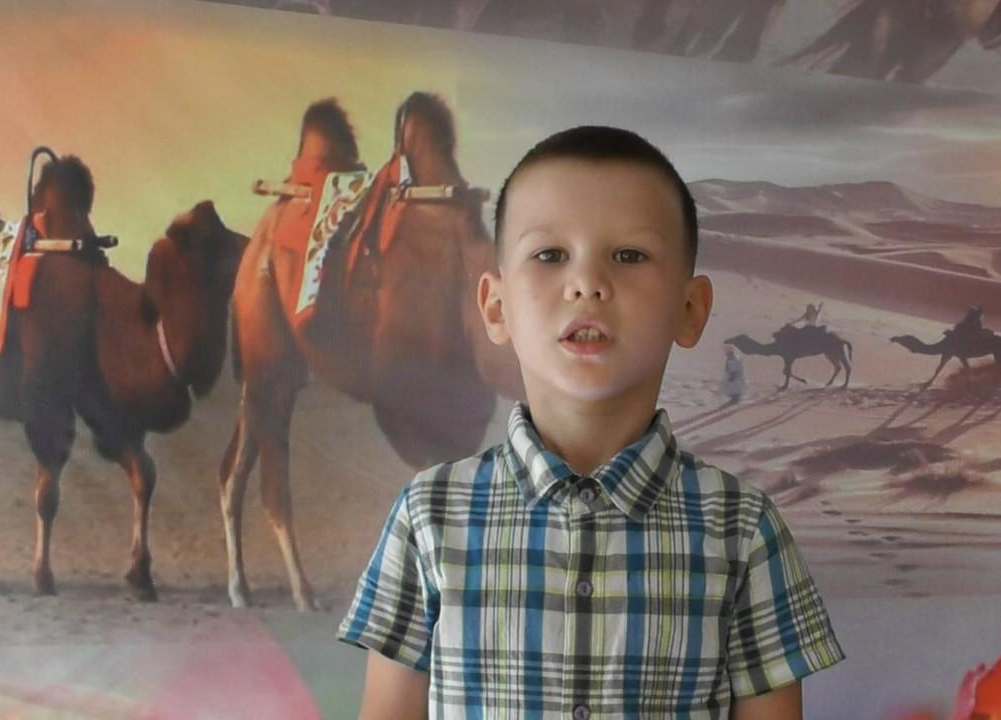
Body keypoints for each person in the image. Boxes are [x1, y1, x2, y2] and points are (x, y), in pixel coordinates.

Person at [338, 125, 845, 718]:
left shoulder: (744, 531)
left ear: (690, 309)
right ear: (496, 307)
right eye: (550, 255)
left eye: (629, 256)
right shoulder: (429, 515)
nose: (587, 284)